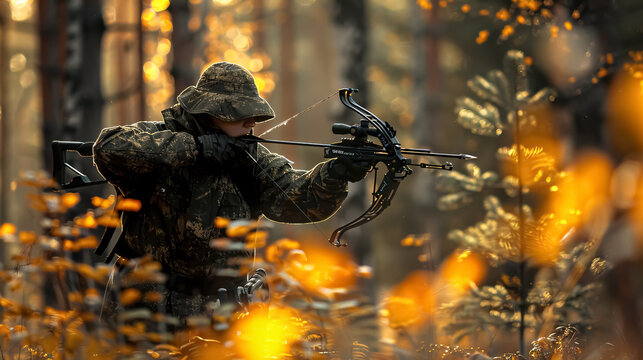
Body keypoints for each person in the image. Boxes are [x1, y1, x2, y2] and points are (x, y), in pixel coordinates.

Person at [92, 62, 370, 323]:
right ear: (210, 111)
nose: (251, 121)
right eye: (239, 112)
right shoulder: (160, 140)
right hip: (144, 310)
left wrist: (336, 174)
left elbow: (301, 197)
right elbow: (107, 148)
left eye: (251, 114)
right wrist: (198, 149)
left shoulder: (249, 160)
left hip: (219, 313)